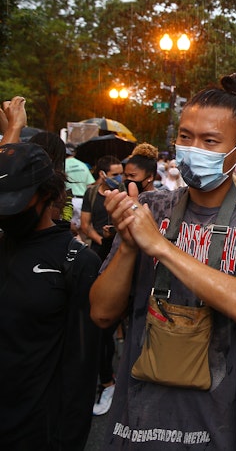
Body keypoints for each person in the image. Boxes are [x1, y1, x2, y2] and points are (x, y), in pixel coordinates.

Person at [89, 71, 236, 450]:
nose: (192, 148)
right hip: (142, 414)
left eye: (210, 141)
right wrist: (131, 245)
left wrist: (162, 246)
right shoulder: (151, 207)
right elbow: (102, 313)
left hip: (224, 415)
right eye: (185, 137)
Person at [0, 143, 101, 450]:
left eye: (14, 201)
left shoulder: (76, 262)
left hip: (36, 431)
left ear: (47, 194)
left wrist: (67, 440)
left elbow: (81, 370)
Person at [81, 154, 124, 416]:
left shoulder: (124, 192)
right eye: (115, 173)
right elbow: (85, 225)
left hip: (121, 258)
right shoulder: (91, 194)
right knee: (98, 322)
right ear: (102, 174)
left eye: (122, 173)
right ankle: (104, 380)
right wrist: (101, 240)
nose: (119, 177)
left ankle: (110, 379)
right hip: (98, 257)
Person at [65, 142, 95, 233]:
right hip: (82, 201)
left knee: (68, 230)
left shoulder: (62, 164)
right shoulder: (83, 165)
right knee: (82, 230)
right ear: (74, 153)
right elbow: (90, 185)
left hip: (67, 201)